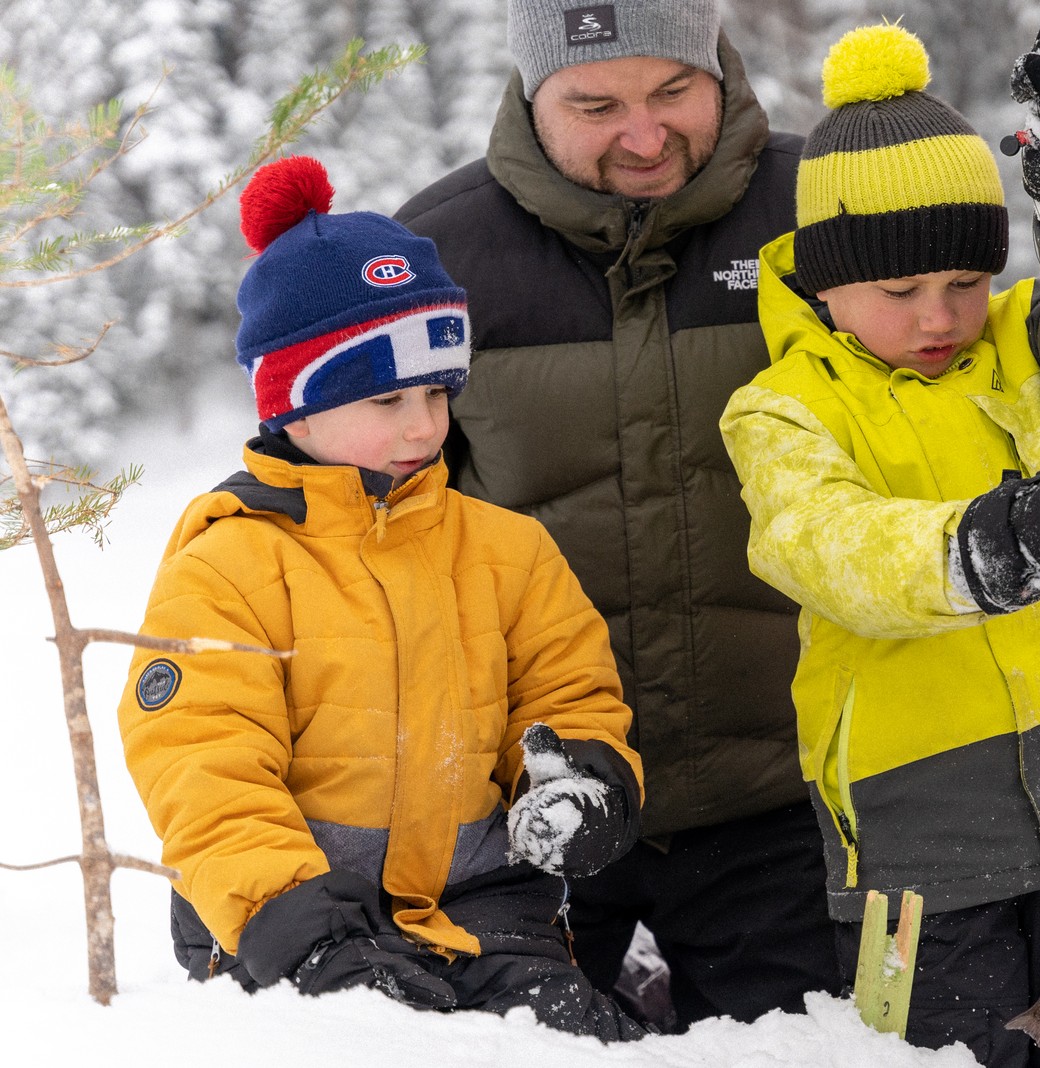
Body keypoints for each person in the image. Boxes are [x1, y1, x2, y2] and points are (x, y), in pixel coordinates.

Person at [717, 9, 1040, 1066]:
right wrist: (1013, 535)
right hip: (922, 847)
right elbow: (833, 548)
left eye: (964, 281)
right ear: (825, 284)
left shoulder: (1027, 348)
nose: (939, 317)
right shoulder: (778, 413)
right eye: (899, 291)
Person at [115, 157, 647, 1041]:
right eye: (387, 396)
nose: (423, 426)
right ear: (294, 406)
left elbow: (569, 693)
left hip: (480, 906)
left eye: (439, 392)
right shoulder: (232, 563)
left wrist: (575, 782)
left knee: (571, 1037)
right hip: (289, 930)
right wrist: (300, 928)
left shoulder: (506, 549)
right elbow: (204, 766)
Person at [393, 0, 842, 1028]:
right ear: (530, 94)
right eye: (595, 104)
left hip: (781, 801)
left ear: (717, 72)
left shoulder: (818, 207)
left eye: (674, 92)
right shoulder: (435, 253)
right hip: (531, 812)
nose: (644, 137)